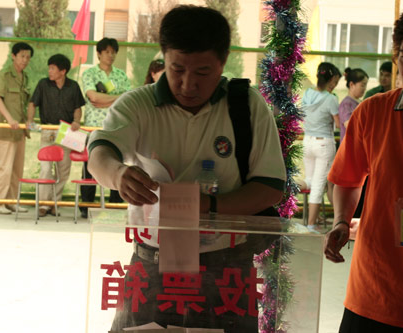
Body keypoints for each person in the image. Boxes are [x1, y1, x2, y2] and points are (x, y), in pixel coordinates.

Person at [87, 5, 286, 331]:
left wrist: (208, 207)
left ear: (223, 62)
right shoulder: (138, 105)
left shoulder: (246, 107)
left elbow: (269, 187)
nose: (187, 84)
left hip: (227, 266)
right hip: (152, 262)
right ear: (163, 58)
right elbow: (100, 153)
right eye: (176, 69)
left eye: (203, 72)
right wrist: (119, 174)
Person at [323, 13, 403, 331]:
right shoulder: (372, 112)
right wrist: (342, 219)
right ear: (398, 56)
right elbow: (346, 178)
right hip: (374, 292)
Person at [26, 54, 85, 217]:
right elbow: (32, 103)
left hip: (66, 132)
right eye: (49, 67)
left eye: (53, 68)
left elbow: (77, 108)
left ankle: (55, 203)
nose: (49, 71)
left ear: (63, 71)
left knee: (63, 170)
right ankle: (43, 204)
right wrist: (30, 121)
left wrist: (76, 121)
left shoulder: (73, 86)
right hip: (48, 130)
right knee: (45, 169)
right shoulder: (43, 84)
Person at [80, 37, 131, 218]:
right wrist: (115, 98)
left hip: (115, 127)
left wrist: (104, 99)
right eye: (107, 52)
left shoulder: (121, 75)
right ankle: (86, 205)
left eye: (113, 52)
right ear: (99, 53)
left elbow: (127, 99)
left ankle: (115, 205)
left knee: (117, 164)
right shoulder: (90, 74)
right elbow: (93, 98)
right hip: (93, 128)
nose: (111, 55)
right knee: (90, 166)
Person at [0, 42, 33, 215]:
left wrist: (27, 120)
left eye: (28, 57)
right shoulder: (4, 75)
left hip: (20, 130)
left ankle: (12, 201)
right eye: (22, 56)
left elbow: (27, 102)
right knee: (4, 167)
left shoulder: (25, 77)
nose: (25, 60)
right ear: (13, 56)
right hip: (6, 129)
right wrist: (9, 118)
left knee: (17, 168)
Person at [301, 62, 340, 231]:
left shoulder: (307, 94)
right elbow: (338, 124)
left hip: (307, 142)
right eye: (336, 81)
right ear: (331, 80)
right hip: (323, 144)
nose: (336, 85)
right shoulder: (331, 99)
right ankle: (311, 225)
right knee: (318, 186)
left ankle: (289, 189)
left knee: (309, 182)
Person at [339, 68, 368, 143]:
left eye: (365, 85)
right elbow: (350, 126)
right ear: (351, 84)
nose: (364, 89)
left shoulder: (359, 102)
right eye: (362, 85)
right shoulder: (346, 104)